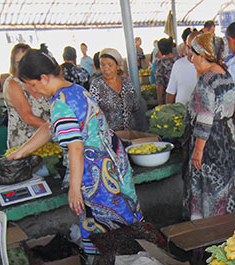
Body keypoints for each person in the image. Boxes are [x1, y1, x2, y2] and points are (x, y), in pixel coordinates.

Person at [10, 49, 143, 254]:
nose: (31, 91)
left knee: (105, 226)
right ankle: (135, 258)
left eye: (33, 85)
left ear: (44, 78)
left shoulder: (61, 104)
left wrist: (74, 188)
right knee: (124, 216)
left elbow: (76, 147)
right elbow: (49, 127)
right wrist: (21, 152)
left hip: (95, 173)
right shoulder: (74, 90)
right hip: (112, 162)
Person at [183, 32, 235, 220]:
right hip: (227, 140)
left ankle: (205, 242)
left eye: (194, 54)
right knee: (224, 191)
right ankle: (225, 235)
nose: (192, 59)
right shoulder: (225, 73)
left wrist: (198, 150)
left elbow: (205, 117)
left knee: (205, 192)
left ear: (203, 55)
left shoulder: (206, 79)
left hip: (210, 143)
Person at [4, 43, 50, 149]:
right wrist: (57, 130)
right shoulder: (12, 84)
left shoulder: (39, 80)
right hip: (25, 143)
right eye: (18, 62)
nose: (23, 66)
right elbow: (28, 118)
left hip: (48, 141)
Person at [88, 48, 140, 132]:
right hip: (110, 136)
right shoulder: (97, 85)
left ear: (118, 66)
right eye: (102, 65)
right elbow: (93, 112)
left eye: (110, 65)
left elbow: (135, 106)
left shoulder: (127, 83)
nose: (106, 69)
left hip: (130, 133)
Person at [166, 32, 199, 104]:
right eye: (189, 47)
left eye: (194, 48)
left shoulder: (210, 67)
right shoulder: (178, 64)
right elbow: (171, 92)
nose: (190, 52)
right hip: (181, 113)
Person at [154, 38, 176, 105]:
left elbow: (159, 84)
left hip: (168, 97)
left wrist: (159, 101)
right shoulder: (178, 60)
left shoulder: (160, 63)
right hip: (180, 95)